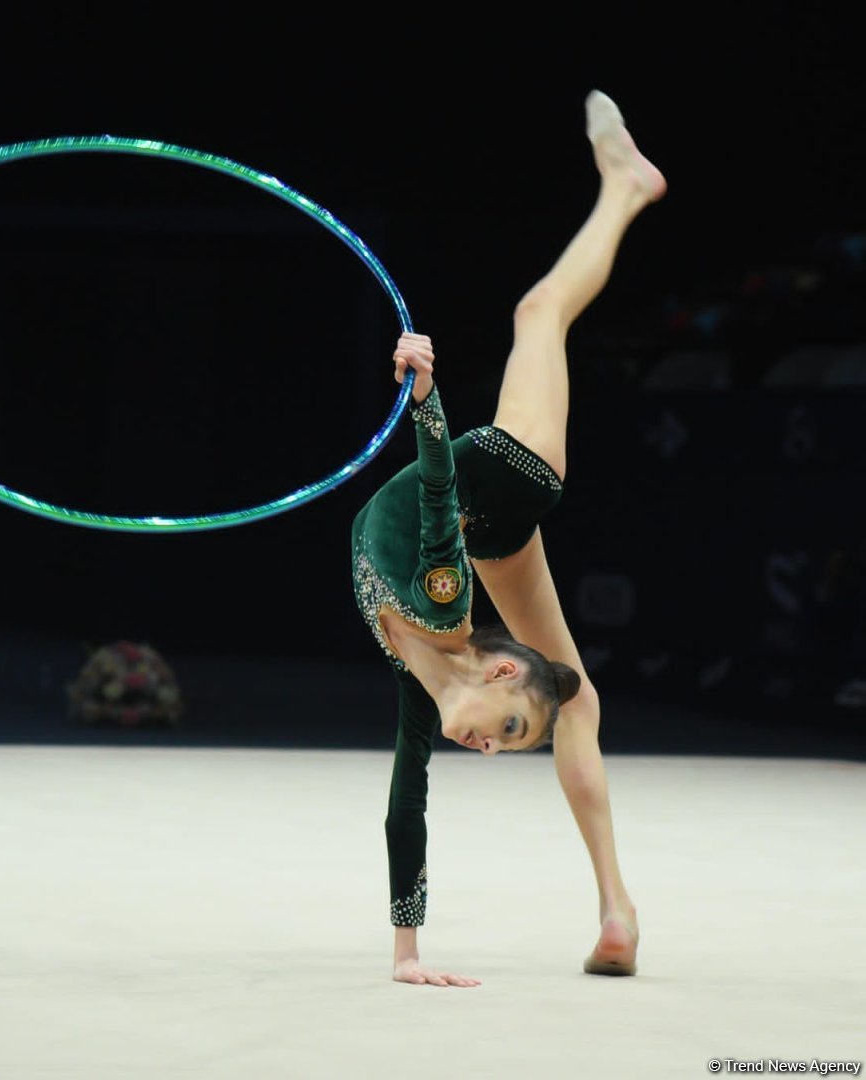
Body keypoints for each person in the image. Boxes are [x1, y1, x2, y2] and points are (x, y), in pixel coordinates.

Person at [351, 90, 666, 987]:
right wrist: (425, 399)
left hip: (495, 529)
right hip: (506, 474)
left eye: (500, 745)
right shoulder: (443, 610)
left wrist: (407, 955)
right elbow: (442, 491)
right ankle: (626, 188)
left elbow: (404, 807)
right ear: (496, 671)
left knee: (581, 701)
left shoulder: (425, 682)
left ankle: (618, 912)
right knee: (539, 314)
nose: (486, 750)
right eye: (509, 731)